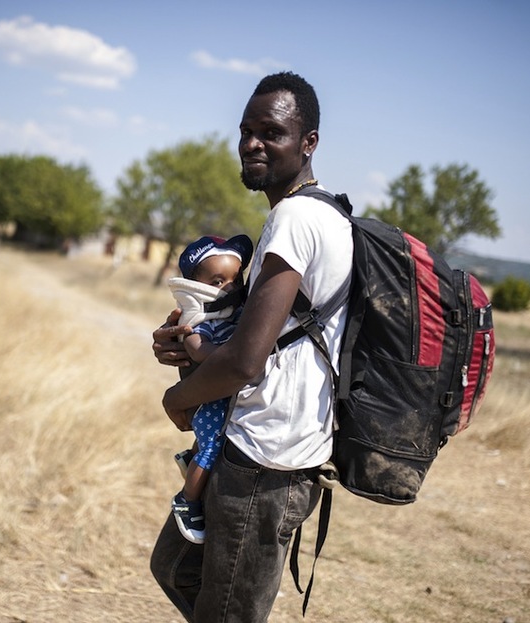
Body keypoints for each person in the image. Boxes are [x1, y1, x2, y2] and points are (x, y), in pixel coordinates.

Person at [149, 71, 354, 622]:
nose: (252, 143)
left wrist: (178, 400)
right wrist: (188, 347)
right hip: (256, 444)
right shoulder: (308, 214)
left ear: (308, 143)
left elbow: (245, 361)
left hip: (268, 458)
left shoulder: (296, 218)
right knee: (176, 567)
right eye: (245, 130)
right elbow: (252, 339)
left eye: (272, 132)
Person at [168, 233, 254, 545]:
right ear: (198, 284)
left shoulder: (232, 315)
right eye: (218, 281)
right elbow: (197, 349)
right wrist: (238, 354)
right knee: (212, 447)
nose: (229, 288)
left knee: (209, 443)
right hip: (210, 400)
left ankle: (189, 461)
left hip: (223, 396)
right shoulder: (200, 321)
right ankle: (187, 500)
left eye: (235, 279)